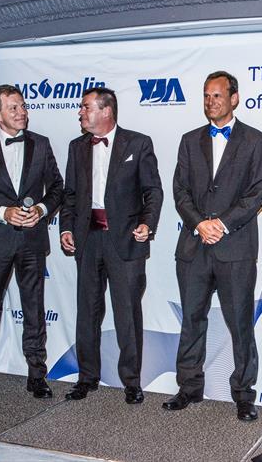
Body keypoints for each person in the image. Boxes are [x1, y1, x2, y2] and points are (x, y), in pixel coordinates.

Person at [163, 71, 262, 421]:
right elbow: (180, 191)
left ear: (234, 98)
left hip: (235, 248)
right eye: (207, 96)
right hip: (194, 246)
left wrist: (221, 224)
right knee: (191, 320)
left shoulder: (255, 140)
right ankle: (189, 387)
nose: (211, 102)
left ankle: (243, 394)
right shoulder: (189, 140)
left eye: (218, 96)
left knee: (240, 324)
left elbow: (256, 193)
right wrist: (199, 223)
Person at [0, 84, 63, 404]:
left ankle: (38, 377)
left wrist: (42, 211)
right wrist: (4, 213)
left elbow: (58, 189)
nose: (22, 112)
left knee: (34, 312)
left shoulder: (41, 145)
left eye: (23, 106)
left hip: (32, 241)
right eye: (14, 108)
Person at [59, 87, 163, 404]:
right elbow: (70, 196)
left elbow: (153, 191)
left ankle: (131, 381)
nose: (80, 112)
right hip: (88, 240)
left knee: (127, 314)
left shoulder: (138, 143)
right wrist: (66, 226)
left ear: (106, 111)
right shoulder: (76, 147)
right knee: (87, 312)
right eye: (81, 108)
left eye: (86, 107)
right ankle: (86, 377)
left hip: (126, 242)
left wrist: (147, 223)